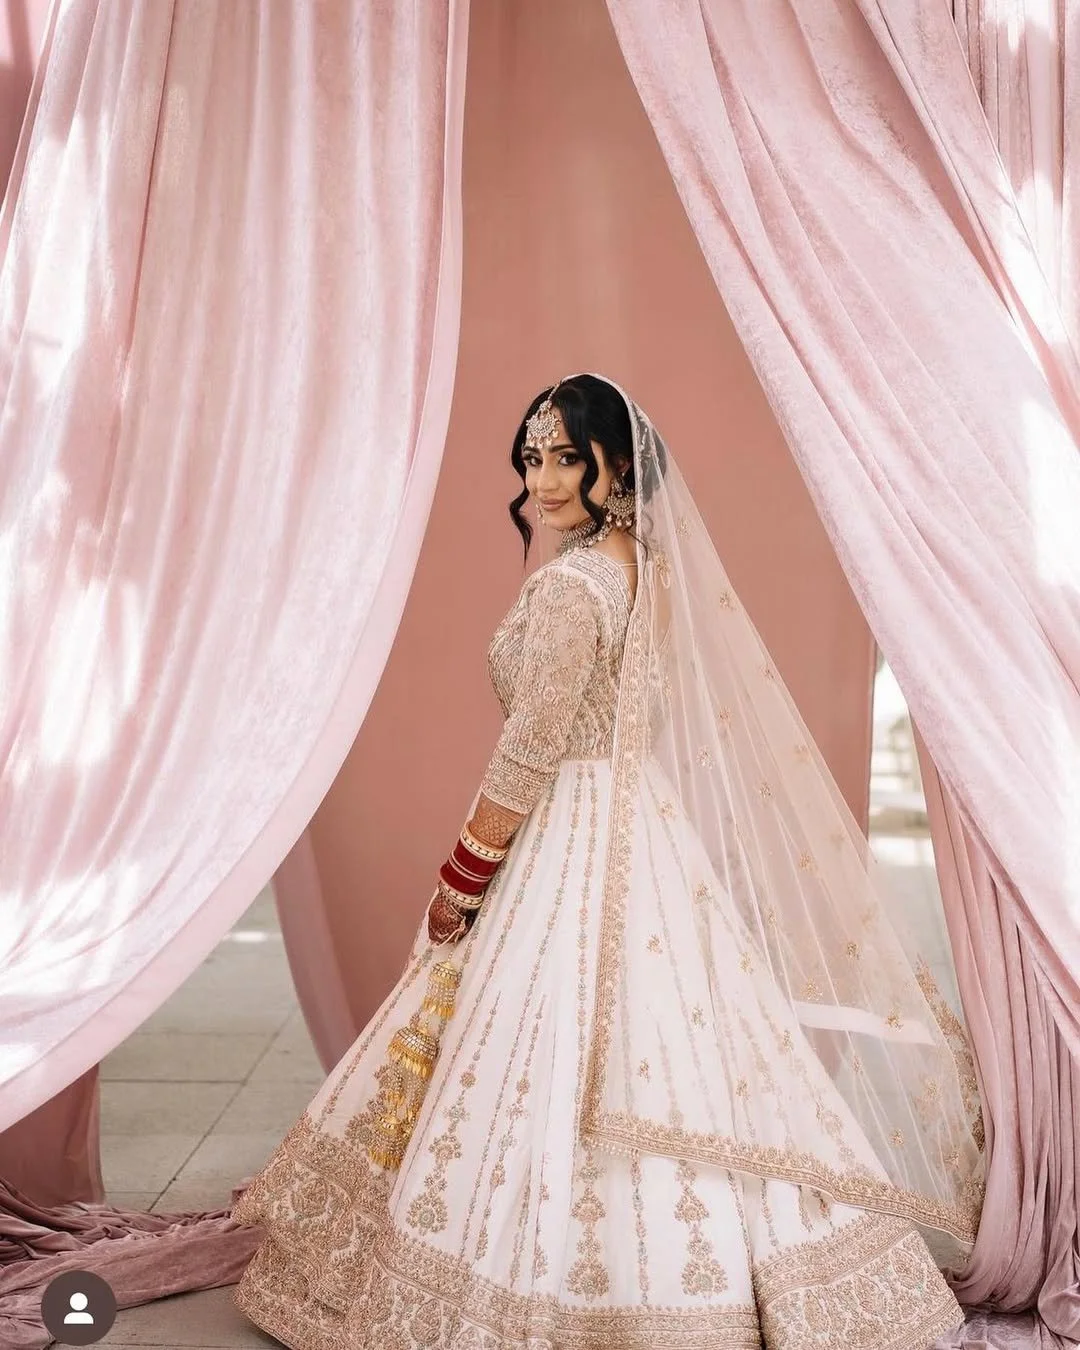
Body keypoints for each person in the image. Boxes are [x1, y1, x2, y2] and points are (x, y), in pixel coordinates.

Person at [231, 374, 985, 1349]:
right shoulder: (650, 572)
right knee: (687, 1053)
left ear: (617, 466)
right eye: (531, 459)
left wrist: (464, 875)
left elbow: (531, 746)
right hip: (644, 833)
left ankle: (549, 1292)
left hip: (570, 835)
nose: (540, 480)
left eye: (564, 458)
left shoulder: (572, 585)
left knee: (553, 1053)